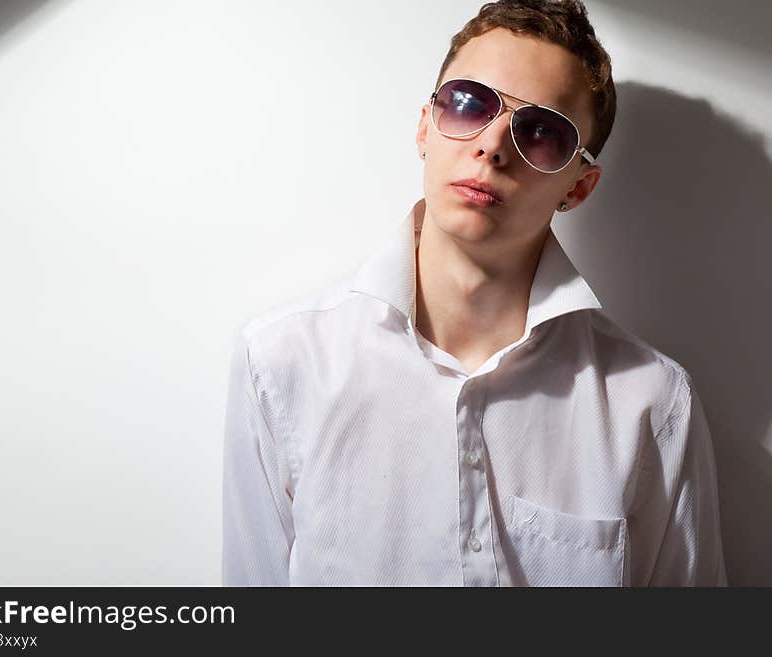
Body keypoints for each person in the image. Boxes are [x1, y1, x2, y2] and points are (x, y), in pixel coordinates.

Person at [221, 0, 727, 586]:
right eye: (468, 103)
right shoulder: (283, 362)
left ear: (579, 186)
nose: (492, 147)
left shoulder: (652, 402)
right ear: (423, 127)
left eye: (541, 132)